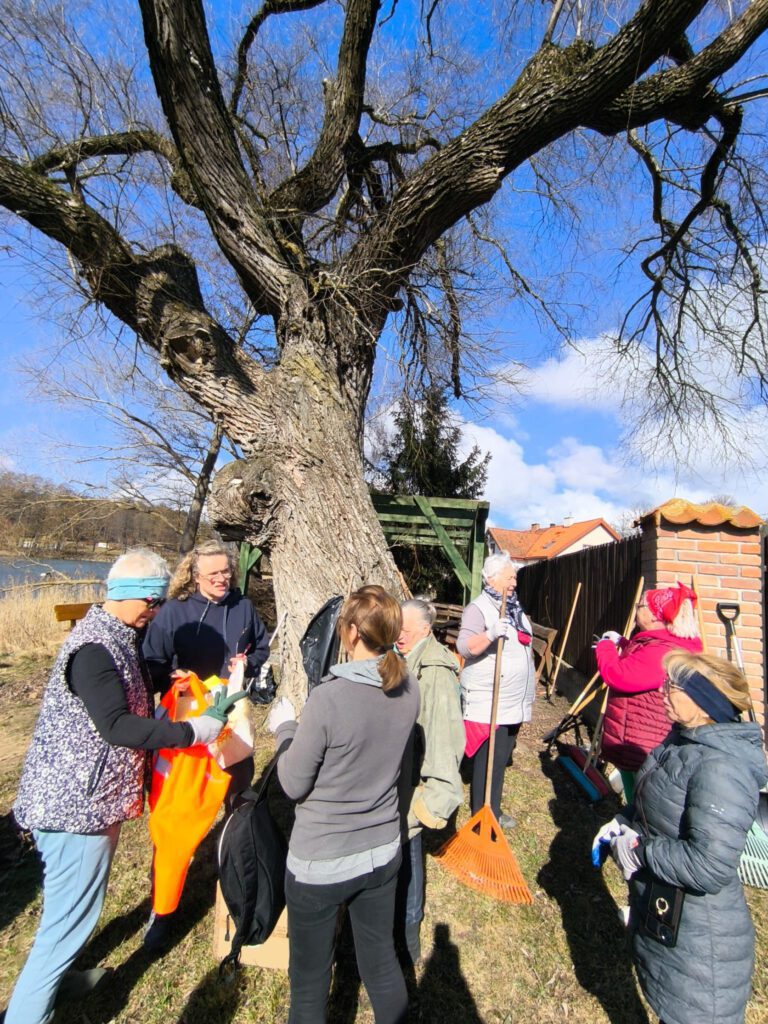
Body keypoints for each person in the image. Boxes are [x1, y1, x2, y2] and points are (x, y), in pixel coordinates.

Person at [4, 550, 227, 1024]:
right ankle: (32, 1005)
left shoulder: (117, 634)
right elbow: (117, 726)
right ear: (132, 595)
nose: (156, 612)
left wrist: (165, 680)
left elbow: (127, 689)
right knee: (66, 924)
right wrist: (193, 731)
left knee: (69, 913)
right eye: (153, 602)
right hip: (75, 809)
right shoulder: (93, 650)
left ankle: (56, 981)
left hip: (88, 799)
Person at [267, 585, 419, 1024]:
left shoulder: (328, 698)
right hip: (382, 853)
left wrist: (285, 730)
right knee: (382, 962)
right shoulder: (409, 688)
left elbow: (292, 783)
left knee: (309, 985)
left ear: (351, 632)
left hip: (320, 862)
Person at [593, 652, 767, 1024]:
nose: (662, 691)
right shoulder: (683, 741)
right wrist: (624, 821)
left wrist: (641, 852)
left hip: (703, 945)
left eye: (672, 685)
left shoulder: (721, 769)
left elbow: (709, 865)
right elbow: (660, 801)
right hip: (672, 920)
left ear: (703, 703)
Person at [141, 539, 270, 948]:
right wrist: (176, 680)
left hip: (233, 720)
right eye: (213, 574)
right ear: (194, 576)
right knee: (175, 819)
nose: (221, 579)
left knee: (239, 799)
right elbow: (152, 664)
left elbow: (261, 646)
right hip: (187, 729)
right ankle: (162, 909)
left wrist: (248, 663)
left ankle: (237, 881)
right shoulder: (174, 612)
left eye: (226, 572)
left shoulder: (243, 606)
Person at [395, 597, 464, 965]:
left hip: (416, 785)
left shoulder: (434, 671)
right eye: (397, 627)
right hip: (400, 775)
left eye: (406, 628)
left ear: (425, 629)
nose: (399, 634)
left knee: (409, 854)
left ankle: (408, 940)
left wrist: (429, 802)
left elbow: (445, 739)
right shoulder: (405, 657)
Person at [594, 582, 702, 802]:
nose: (636, 609)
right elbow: (640, 663)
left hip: (642, 741)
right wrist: (623, 643)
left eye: (640, 605)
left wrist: (605, 646)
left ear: (655, 616)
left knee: (641, 802)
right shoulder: (663, 643)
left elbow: (619, 675)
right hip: (643, 736)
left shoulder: (662, 652)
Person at [456, 552, 534, 828]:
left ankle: (493, 811)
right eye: (509, 577)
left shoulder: (513, 607)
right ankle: (482, 816)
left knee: (499, 760)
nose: (514, 582)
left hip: (511, 701)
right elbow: (464, 647)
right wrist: (490, 635)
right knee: (488, 762)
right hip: (490, 700)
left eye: (514, 577)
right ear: (491, 578)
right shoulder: (478, 609)